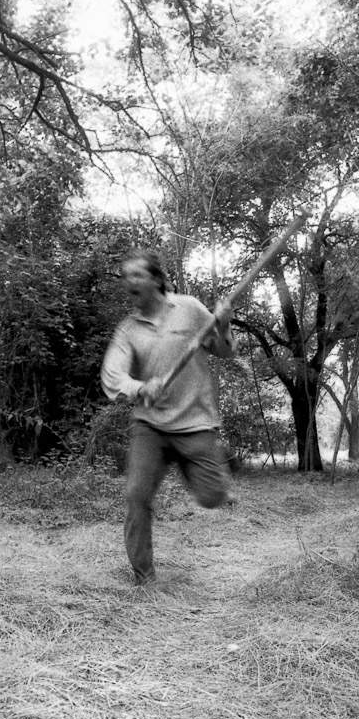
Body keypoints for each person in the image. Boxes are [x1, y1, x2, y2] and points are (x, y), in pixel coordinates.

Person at [101, 249, 237, 586]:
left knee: (212, 497)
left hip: (195, 422)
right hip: (150, 425)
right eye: (125, 276)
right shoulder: (128, 329)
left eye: (137, 274)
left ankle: (208, 460)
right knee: (136, 496)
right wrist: (140, 388)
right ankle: (144, 579)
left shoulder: (189, 309)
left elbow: (224, 351)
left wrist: (223, 324)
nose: (129, 281)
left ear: (157, 279)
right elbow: (112, 375)